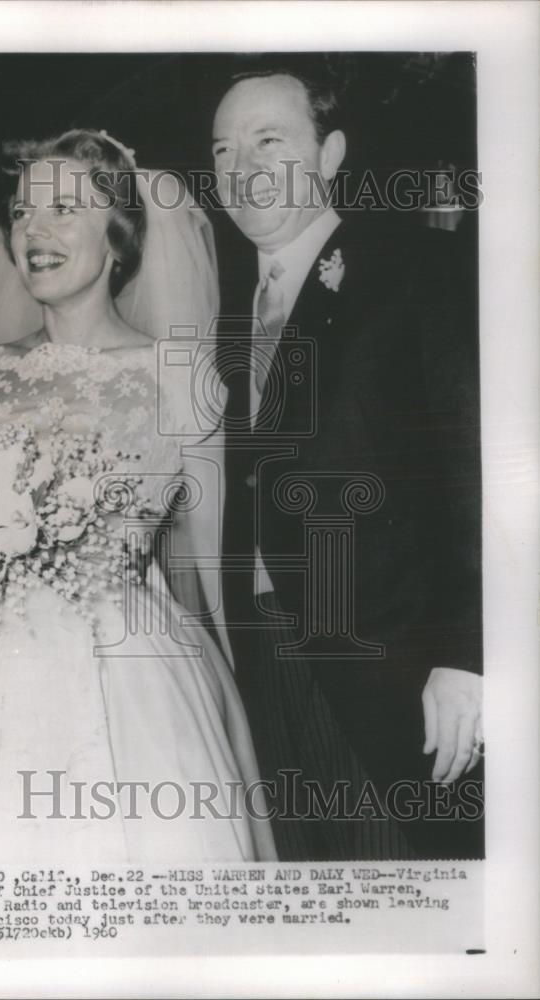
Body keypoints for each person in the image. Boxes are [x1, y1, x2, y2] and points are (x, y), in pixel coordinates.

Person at [0, 129, 276, 866]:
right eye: (23, 212)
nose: (35, 232)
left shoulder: (180, 380)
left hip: (128, 669)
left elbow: (218, 563)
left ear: (120, 234)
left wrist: (235, 700)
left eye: (65, 209)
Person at [212, 66, 483, 860]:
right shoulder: (228, 312)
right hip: (262, 659)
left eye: (270, 140)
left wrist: (468, 655)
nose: (242, 168)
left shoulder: (420, 269)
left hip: (394, 666)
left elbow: (479, 469)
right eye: (224, 150)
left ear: (329, 154)